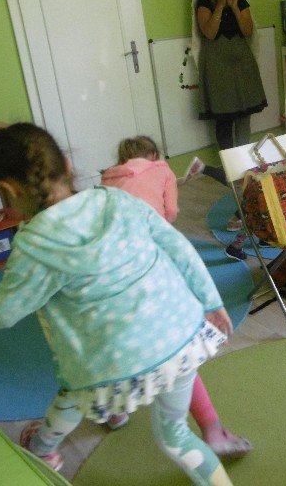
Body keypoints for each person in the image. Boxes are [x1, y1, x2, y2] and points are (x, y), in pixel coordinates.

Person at [0, 123, 235, 485]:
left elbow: (2, 315)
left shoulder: (34, 247)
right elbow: (178, 246)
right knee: (176, 436)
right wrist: (211, 300)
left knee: (76, 388)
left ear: (8, 190)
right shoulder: (116, 199)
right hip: (179, 339)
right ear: (68, 166)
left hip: (109, 366)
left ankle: (44, 448)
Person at [101, 135, 252, 457]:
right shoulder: (162, 170)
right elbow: (169, 215)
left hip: (109, 269)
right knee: (175, 350)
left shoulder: (108, 178)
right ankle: (212, 429)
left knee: (116, 340)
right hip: (149, 264)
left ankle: (115, 411)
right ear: (154, 155)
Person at [189, 0, 266, 247]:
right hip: (218, 68)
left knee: (243, 121)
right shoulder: (204, 1)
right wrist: (220, 4)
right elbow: (208, 32)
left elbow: (247, 29)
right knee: (224, 124)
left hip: (241, 65)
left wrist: (234, 4)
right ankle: (229, 166)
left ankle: (244, 165)